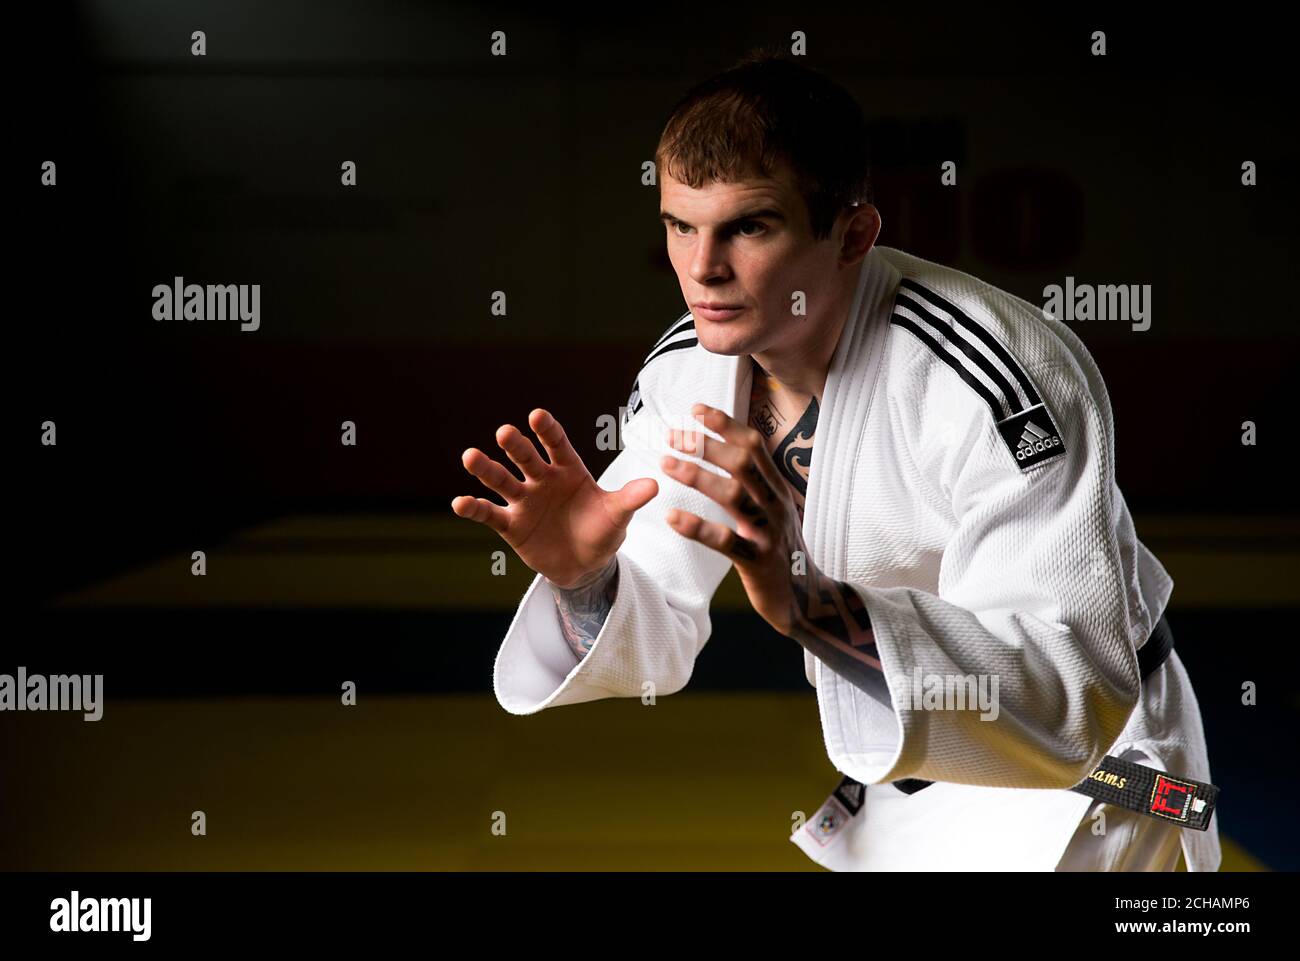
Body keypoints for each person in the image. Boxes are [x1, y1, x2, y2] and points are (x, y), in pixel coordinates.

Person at [451, 51, 1221, 871]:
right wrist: (583, 578)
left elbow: (1071, 691)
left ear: (852, 233)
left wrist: (809, 606)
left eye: (749, 226)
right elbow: (655, 624)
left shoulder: (997, 377)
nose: (702, 266)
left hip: (1096, 774)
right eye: (680, 224)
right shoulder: (688, 373)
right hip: (913, 757)